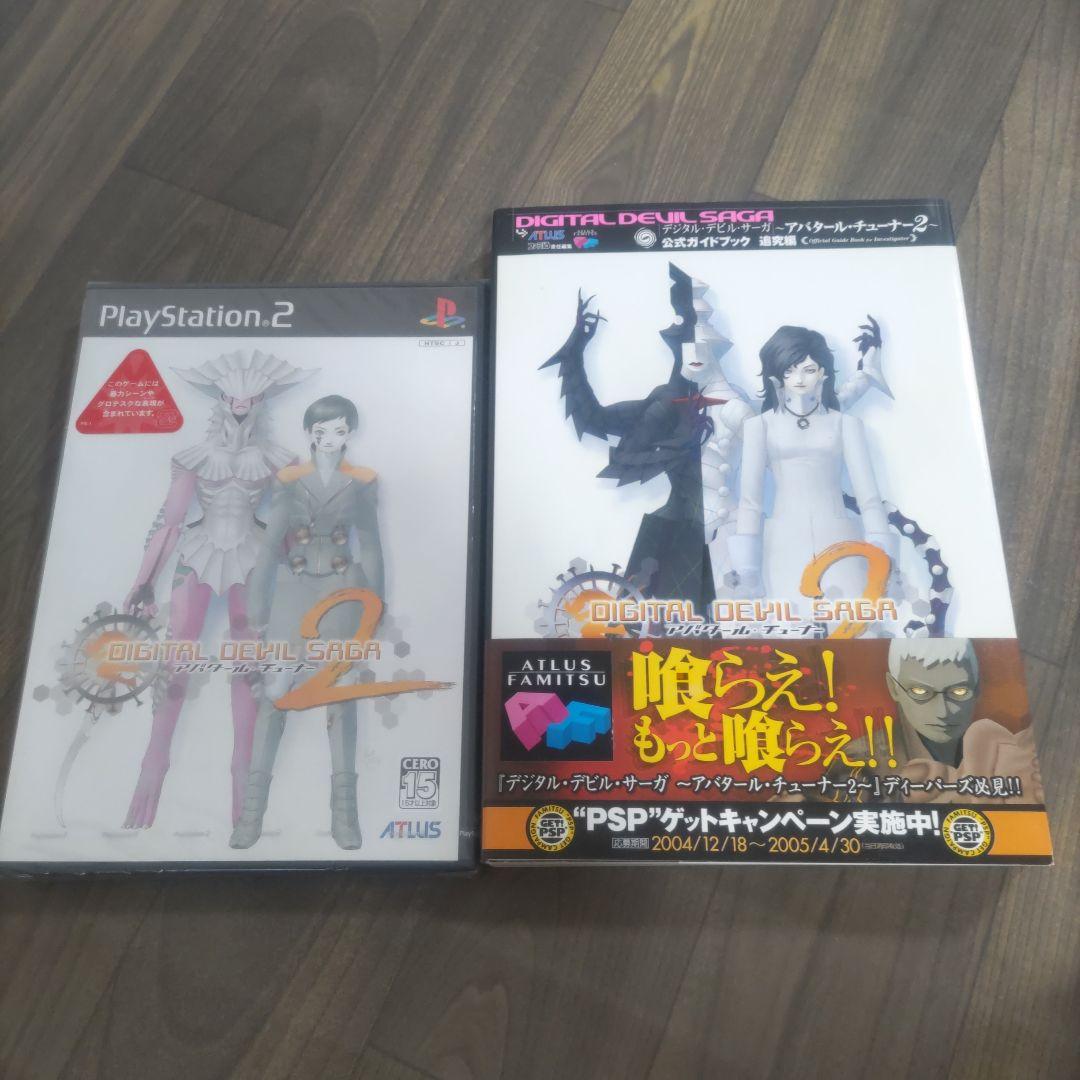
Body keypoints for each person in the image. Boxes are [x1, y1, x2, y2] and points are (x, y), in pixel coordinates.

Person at [122, 350, 310, 829]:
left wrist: (303, 584)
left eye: (250, 399)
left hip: (251, 557)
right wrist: (143, 584)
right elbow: (170, 524)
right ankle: (153, 763)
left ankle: (243, 776)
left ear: (260, 402)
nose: (240, 407)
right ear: (221, 400)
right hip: (198, 554)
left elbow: (290, 528)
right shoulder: (195, 456)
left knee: (248, 665)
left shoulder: (277, 460)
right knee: (176, 658)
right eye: (232, 398)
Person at [230, 394, 383, 850]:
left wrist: (375, 604)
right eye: (320, 431)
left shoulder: (363, 481)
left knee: (340, 696)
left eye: (339, 430)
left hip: (342, 591)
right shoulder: (289, 480)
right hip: (292, 592)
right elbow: (269, 545)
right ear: (309, 434)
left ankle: (345, 818)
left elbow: (371, 545)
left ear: (350, 432)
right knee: (275, 694)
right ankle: (250, 817)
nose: (329, 438)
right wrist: (258, 607)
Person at [730, 325, 896, 615]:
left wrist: (884, 560)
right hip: (781, 542)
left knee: (847, 627)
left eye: (808, 370)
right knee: (790, 626)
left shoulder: (846, 424)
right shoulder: (759, 427)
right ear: (777, 375)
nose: (799, 379)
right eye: (789, 371)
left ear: (823, 372)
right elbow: (750, 503)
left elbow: (869, 497)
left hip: (840, 538)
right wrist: (747, 569)